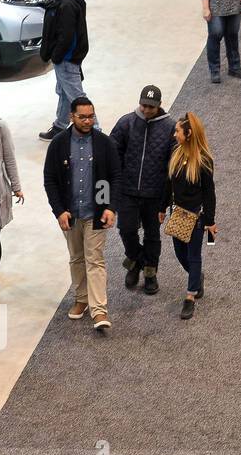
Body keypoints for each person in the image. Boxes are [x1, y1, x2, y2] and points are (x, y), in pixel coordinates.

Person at [43, 96, 120, 332]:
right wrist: (59, 211)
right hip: (70, 213)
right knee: (76, 257)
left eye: (91, 116)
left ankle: (99, 310)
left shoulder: (104, 143)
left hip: (95, 211)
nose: (88, 121)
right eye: (82, 117)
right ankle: (81, 298)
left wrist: (109, 206)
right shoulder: (58, 144)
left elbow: (116, 176)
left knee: (95, 259)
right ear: (71, 117)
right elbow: (50, 180)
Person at [110, 85, 175, 296]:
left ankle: (150, 273)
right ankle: (136, 261)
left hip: (154, 194)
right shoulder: (126, 122)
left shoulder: (170, 128)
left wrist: (166, 198)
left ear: (159, 105)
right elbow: (113, 153)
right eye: (144, 105)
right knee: (126, 230)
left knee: (152, 236)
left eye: (151, 107)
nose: (147, 110)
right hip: (127, 191)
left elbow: (172, 166)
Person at [162, 111, 216, 321]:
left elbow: (209, 193)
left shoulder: (203, 161)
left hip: (196, 216)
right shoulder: (176, 153)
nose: (174, 134)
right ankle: (197, 276)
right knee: (179, 253)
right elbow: (169, 184)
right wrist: (161, 208)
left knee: (194, 256)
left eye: (177, 131)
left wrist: (210, 221)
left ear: (189, 133)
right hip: (176, 213)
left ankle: (190, 297)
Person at [37, 0, 89, 142]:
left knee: (77, 96)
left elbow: (66, 35)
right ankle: (60, 125)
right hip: (67, 57)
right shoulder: (71, 0)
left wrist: (57, 55)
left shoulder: (66, 4)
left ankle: (95, 131)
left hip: (66, 58)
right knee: (65, 92)